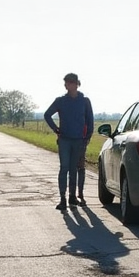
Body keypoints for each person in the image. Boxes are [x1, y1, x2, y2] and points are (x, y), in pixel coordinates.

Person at [43, 73, 94, 210]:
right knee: (64, 168)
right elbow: (47, 115)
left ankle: (73, 197)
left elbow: (90, 121)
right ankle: (62, 199)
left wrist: (87, 138)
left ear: (77, 83)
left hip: (79, 140)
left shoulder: (84, 101)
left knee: (74, 169)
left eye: (70, 82)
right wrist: (56, 129)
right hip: (64, 139)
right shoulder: (60, 101)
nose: (67, 85)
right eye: (66, 82)